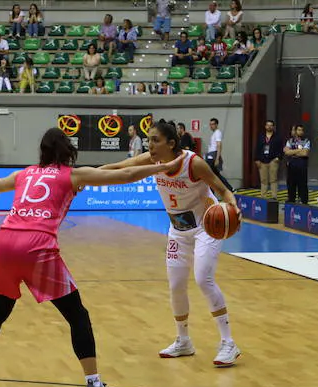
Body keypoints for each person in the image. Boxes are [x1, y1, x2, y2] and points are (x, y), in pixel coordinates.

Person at [0, 128, 184, 387]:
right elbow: (125, 176)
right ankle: (94, 386)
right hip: (36, 247)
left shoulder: (25, 174)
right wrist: (166, 166)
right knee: (77, 315)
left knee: (1, 307)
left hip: (2, 243)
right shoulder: (72, 175)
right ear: (67, 150)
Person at [99, 120, 242, 367]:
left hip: (204, 228)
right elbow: (120, 168)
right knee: (176, 285)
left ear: (171, 143)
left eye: (155, 140)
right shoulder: (152, 161)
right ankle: (183, 340)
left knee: (202, 279)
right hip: (178, 230)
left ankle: (228, 342)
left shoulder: (193, 162)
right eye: (148, 140)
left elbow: (221, 188)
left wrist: (233, 206)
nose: (150, 145)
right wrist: (82, 177)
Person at [254, 120, 284, 199]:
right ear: (265, 126)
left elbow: (281, 148)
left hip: (273, 160)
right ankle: (263, 197)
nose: (269, 127)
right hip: (262, 160)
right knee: (263, 180)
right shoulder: (261, 136)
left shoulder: (278, 137)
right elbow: (257, 148)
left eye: (271, 125)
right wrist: (256, 159)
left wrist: (278, 158)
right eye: (268, 125)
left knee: (273, 179)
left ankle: (274, 196)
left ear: (273, 127)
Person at [285, 124, 311, 204]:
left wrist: (292, 152)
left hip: (302, 164)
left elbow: (305, 153)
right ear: (295, 131)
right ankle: (291, 199)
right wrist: (299, 151)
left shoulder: (306, 140)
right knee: (291, 183)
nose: (301, 131)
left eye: (302, 130)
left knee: (302, 183)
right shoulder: (290, 141)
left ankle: (303, 200)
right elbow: (287, 152)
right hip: (292, 164)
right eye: (299, 130)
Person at [205, 118, 232, 191]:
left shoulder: (217, 133)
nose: (211, 126)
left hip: (212, 158)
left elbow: (219, 145)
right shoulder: (214, 133)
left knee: (212, 175)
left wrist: (217, 159)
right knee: (215, 175)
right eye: (210, 124)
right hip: (211, 156)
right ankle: (229, 188)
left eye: (213, 124)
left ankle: (228, 188)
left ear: (216, 125)